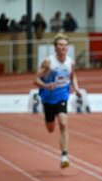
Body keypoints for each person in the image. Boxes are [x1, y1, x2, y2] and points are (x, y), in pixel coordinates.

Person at [34, 34, 80, 169]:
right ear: (55, 47)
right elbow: (35, 79)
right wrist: (45, 86)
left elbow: (73, 76)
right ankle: (48, 119)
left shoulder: (70, 62)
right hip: (48, 97)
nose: (63, 48)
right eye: (60, 45)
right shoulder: (48, 62)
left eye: (65, 45)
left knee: (63, 123)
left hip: (62, 95)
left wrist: (76, 88)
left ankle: (64, 155)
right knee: (50, 128)